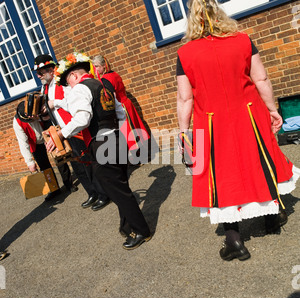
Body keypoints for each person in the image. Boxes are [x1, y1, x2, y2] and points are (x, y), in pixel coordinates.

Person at [176, 0, 299, 261]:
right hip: (249, 114)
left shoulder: (185, 53)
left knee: (221, 174)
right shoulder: (243, 40)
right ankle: (271, 218)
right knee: (258, 161)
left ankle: (234, 240)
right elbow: (261, 79)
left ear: (193, 19)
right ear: (219, 14)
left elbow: (185, 99)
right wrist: (272, 109)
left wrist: (183, 132)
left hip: (211, 121)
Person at [46, 52, 151, 250]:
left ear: (75, 76)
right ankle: (127, 225)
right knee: (120, 185)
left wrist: (60, 135)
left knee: (118, 190)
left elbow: (83, 118)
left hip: (102, 143)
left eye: (68, 81)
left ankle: (142, 230)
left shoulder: (80, 89)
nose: (69, 86)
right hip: (115, 138)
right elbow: (120, 113)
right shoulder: (103, 85)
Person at [34, 54, 110, 210]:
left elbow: (72, 102)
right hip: (61, 130)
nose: (38, 76)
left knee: (88, 163)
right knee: (77, 165)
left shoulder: (62, 83)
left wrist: (54, 103)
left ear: (50, 69)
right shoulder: (46, 88)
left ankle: (103, 194)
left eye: (41, 72)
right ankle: (92, 193)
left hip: (74, 128)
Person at [92, 55, 150, 158]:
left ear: (103, 66)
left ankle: (138, 156)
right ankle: (144, 153)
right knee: (134, 129)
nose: (95, 69)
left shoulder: (105, 79)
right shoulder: (115, 74)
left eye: (96, 66)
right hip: (127, 104)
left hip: (121, 107)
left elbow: (112, 96)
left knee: (128, 132)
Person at [13, 101, 61, 201]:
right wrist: (30, 162)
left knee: (60, 159)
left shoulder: (37, 108)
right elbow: (23, 143)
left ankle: (69, 184)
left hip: (48, 136)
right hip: (36, 144)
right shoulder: (16, 123)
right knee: (45, 168)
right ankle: (54, 189)